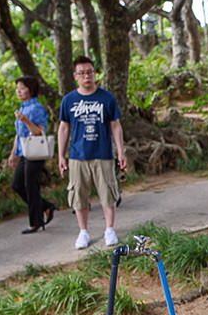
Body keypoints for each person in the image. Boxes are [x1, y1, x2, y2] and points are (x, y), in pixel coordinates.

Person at [57, 56, 126, 250]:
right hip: (78, 155)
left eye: (89, 72)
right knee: (78, 195)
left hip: (103, 153)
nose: (86, 76)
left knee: (108, 193)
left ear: (94, 74)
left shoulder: (106, 98)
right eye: (82, 73)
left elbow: (115, 125)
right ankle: (83, 231)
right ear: (75, 76)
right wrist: (60, 155)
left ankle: (109, 229)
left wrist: (120, 152)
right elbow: (63, 128)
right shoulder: (69, 100)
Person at [8, 76, 56, 234]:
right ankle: (45, 206)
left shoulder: (36, 108)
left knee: (31, 186)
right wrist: (13, 153)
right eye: (17, 88)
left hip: (35, 151)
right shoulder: (22, 107)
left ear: (30, 89)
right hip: (24, 151)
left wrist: (26, 121)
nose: (19, 91)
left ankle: (35, 222)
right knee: (17, 184)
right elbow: (18, 134)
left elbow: (39, 131)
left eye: (22, 88)